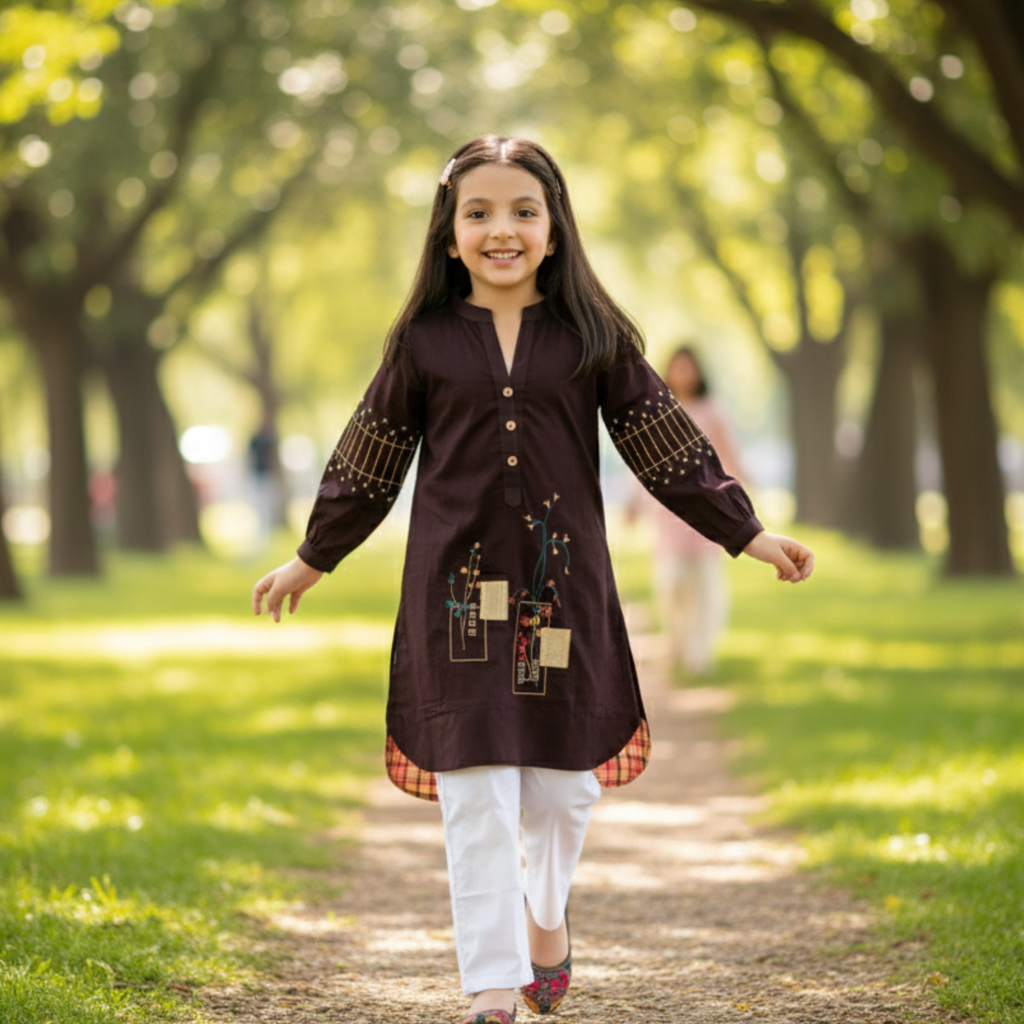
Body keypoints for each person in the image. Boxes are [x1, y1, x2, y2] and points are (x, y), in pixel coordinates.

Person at [252, 136, 814, 1024]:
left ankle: (544, 914)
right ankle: (490, 985)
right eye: (478, 213)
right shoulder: (423, 343)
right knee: (474, 791)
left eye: (523, 211)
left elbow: (665, 446)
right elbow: (370, 457)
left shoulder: (593, 338)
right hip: (457, 602)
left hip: (559, 599)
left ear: (554, 231)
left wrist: (745, 532)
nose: (501, 230)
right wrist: (313, 556)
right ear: (449, 235)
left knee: (563, 787)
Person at [629, 346, 745, 676]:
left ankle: (699, 652)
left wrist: (742, 492)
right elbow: (642, 458)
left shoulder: (713, 411)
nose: (683, 374)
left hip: (708, 507)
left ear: (699, 371)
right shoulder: (657, 411)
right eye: (677, 367)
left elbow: (730, 454)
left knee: (705, 583)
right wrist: (633, 502)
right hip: (668, 512)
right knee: (671, 582)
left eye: (688, 367)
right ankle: (677, 641)